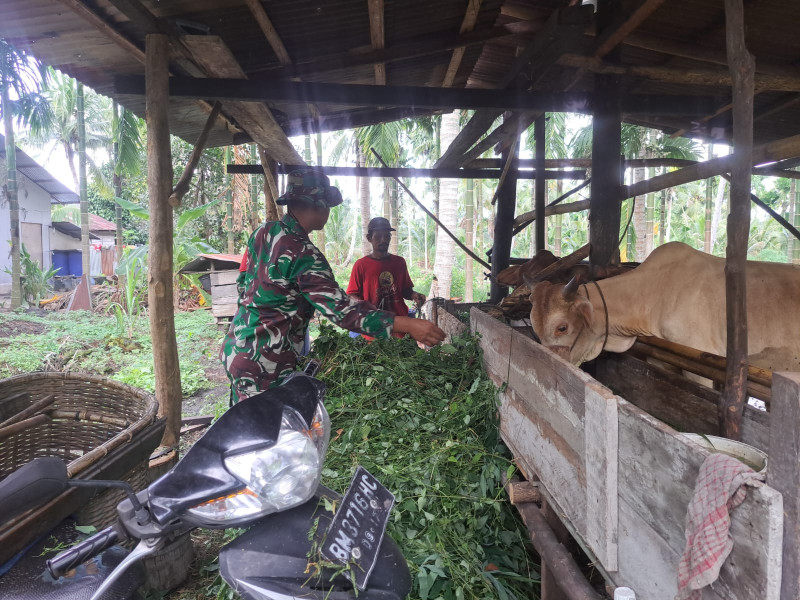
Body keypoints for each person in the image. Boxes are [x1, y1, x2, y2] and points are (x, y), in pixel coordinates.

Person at [220, 169, 445, 402]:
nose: (328, 212)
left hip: (238, 347)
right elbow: (342, 312)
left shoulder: (262, 232)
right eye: (327, 205)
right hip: (265, 364)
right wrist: (406, 324)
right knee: (263, 433)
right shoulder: (303, 253)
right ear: (318, 205)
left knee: (239, 425)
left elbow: (242, 282)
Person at [347, 217, 425, 339]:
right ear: (369, 238)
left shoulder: (399, 262)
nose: (383, 240)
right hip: (373, 330)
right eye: (378, 236)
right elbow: (352, 295)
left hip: (400, 329)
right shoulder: (361, 265)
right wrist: (363, 306)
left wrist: (414, 295)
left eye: (387, 236)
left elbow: (405, 290)